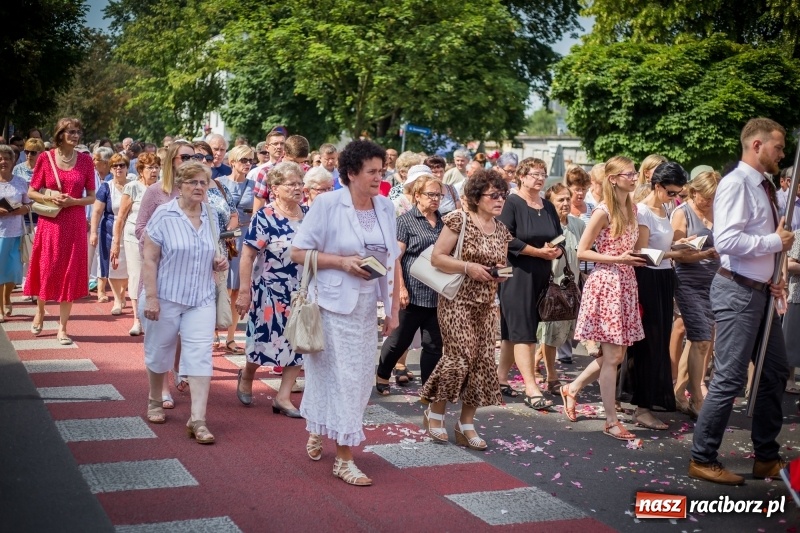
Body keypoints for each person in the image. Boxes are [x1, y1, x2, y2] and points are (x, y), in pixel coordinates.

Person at [290, 139, 400, 487]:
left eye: (381, 171)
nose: (378, 178)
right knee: (344, 378)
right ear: (351, 173)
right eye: (372, 172)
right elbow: (298, 252)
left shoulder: (385, 207)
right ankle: (344, 457)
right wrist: (342, 262)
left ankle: (320, 425)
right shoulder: (327, 204)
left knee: (353, 378)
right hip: (331, 305)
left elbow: (391, 262)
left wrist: (393, 309)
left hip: (369, 305)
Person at [689, 118, 793, 485]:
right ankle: (702, 457)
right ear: (757, 145)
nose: (782, 153)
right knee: (730, 376)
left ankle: (765, 455)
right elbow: (727, 241)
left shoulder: (763, 185)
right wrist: (774, 244)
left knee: (775, 371)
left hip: (759, 290)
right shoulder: (736, 184)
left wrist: (773, 274)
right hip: (737, 291)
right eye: (778, 147)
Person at [420, 169, 513, 451]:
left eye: (503, 195)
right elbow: (437, 258)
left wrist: (500, 273)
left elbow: (503, 262)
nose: (499, 200)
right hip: (456, 299)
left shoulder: (501, 229)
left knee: (483, 360)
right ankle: (434, 414)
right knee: (459, 357)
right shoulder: (458, 219)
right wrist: (468, 267)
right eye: (493, 195)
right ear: (476, 197)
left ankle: (465, 424)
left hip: (486, 302)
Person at [140, 162, 228, 444]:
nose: (199, 187)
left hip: (201, 297)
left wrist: (218, 259)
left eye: (203, 182)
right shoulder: (164, 215)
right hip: (166, 295)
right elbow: (150, 258)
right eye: (193, 182)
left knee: (201, 354)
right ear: (180, 185)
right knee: (160, 350)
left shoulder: (211, 215)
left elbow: (213, 250)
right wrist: (151, 297)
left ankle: (198, 419)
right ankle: (155, 398)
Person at [559, 156, 646, 440]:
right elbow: (582, 251)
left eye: (635, 174)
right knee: (611, 357)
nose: (634, 178)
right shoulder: (603, 210)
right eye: (629, 174)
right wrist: (617, 257)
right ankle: (610, 420)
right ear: (613, 178)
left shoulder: (631, 208)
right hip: (607, 282)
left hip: (625, 281)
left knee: (616, 355)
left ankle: (572, 389)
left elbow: (634, 246)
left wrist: (639, 255)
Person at [617, 162, 689, 430]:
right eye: (671, 192)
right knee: (648, 344)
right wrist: (677, 254)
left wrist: (682, 246)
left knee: (657, 343)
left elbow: (663, 245)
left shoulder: (665, 207)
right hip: (648, 278)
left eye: (678, 193)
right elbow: (643, 253)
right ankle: (642, 407)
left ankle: (644, 402)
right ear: (657, 186)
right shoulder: (644, 211)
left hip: (664, 277)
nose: (675, 198)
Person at [234, 162, 308, 416]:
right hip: (269, 290)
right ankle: (247, 374)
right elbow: (247, 255)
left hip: (301, 292)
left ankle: (283, 397)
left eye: (300, 183)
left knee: (298, 344)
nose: (298, 188)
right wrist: (245, 291)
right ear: (275, 188)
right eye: (292, 184)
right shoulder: (265, 216)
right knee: (262, 342)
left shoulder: (309, 215)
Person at [24, 118, 96, 344]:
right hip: (50, 222)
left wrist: (74, 201)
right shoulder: (45, 158)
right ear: (60, 134)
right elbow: (31, 192)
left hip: (74, 222)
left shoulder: (85, 161)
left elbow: (92, 197)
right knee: (47, 267)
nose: (75, 136)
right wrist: (50, 196)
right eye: (71, 132)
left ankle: (63, 327)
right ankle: (41, 309)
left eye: (78, 132)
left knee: (70, 272)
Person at [496, 158, 560, 409]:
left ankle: (500, 379)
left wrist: (557, 250)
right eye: (535, 174)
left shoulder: (548, 206)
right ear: (522, 176)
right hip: (517, 272)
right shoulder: (511, 203)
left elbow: (559, 235)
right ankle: (531, 387)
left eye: (543, 174)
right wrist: (535, 251)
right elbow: (504, 236)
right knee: (523, 329)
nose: (540, 178)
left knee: (512, 331)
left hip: (543, 271)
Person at [136, 140, 196, 396]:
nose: (193, 161)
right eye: (185, 157)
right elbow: (140, 228)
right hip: (160, 273)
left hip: (189, 276)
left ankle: (177, 370)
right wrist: (160, 245)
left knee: (183, 331)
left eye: (197, 157)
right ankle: (160, 391)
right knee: (162, 335)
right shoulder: (156, 191)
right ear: (172, 160)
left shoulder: (199, 190)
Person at [376, 174, 445, 394]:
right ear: (417, 196)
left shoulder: (444, 222)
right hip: (412, 291)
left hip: (437, 292)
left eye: (439, 195)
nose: (435, 199)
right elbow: (396, 257)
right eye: (430, 194)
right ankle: (383, 375)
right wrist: (401, 287)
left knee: (434, 345)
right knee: (399, 340)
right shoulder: (405, 221)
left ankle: (429, 387)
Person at [671, 170, 721, 416]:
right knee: (701, 340)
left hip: (714, 283)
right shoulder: (682, 213)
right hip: (687, 283)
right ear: (694, 192)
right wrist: (702, 253)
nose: (709, 202)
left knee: (697, 340)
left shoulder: (718, 211)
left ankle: (679, 393)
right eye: (706, 197)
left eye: (714, 197)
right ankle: (698, 399)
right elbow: (676, 252)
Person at [536, 183, 585, 391]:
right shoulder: (545, 224)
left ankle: (533, 361)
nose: (565, 203)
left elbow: (583, 253)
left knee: (564, 331)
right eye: (560, 200)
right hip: (551, 286)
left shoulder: (578, 224)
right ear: (550, 202)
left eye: (567, 198)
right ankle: (552, 377)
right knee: (550, 331)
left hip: (572, 286)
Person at [110, 153, 161, 336]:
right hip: (134, 238)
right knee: (137, 277)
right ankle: (137, 320)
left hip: (158, 241)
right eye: (150, 167)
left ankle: (154, 319)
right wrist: (116, 244)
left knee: (156, 277)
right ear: (140, 170)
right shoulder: (132, 187)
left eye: (157, 167)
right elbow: (121, 217)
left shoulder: (162, 188)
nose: (154, 171)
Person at [216, 144, 256, 354]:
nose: (247, 164)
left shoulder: (254, 185)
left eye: (250, 160)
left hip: (244, 240)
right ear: (232, 162)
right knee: (219, 287)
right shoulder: (218, 183)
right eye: (243, 160)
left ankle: (230, 338)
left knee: (236, 291)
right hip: (223, 240)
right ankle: (213, 331)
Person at [91, 153, 131, 313]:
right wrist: (94, 232)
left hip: (130, 230)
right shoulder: (106, 187)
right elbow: (96, 212)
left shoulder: (134, 185)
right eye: (115, 166)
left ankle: (123, 293)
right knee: (112, 266)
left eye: (122, 165)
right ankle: (116, 299)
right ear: (111, 169)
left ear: (127, 167)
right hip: (109, 230)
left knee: (130, 265)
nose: (119, 168)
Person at [0, 145, 32, 321]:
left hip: (16, 232)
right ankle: (0, 307)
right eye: (0, 159)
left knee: (12, 271)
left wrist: (24, 209)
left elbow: (29, 203)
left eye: (7, 158)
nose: (3, 161)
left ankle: (6, 297)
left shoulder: (20, 181)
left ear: (13, 161)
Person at [250, 129, 286, 211]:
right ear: (267, 147)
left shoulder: (293, 169)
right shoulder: (262, 171)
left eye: (282, 143)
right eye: (275, 144)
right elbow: (257, 208)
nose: (279, 147)